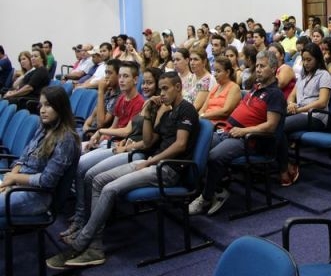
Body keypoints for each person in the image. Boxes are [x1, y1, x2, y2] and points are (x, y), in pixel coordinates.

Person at [47, 71, 200, 269]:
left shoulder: (186, 110)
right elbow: (148, 141)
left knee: (109, 188)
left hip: (168, 170)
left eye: (165, 88)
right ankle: (94, 247)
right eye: (160, 89)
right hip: (153, 163)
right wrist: (147, 114)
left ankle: (82, 243)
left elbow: (180, 145)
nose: (161, 93)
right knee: (98, 179)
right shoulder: (168, 111)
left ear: (178, 87)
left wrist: (151, 161)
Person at [61, 66, 158, 239]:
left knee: (86, 170)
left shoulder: (144, 104)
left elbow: (136, 136)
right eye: (119, 76)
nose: (121, 80)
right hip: (117, 143)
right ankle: (81, 216)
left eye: (125, 76)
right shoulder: (124, 99)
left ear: (136, 79)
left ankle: (86, 221)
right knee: (77, 161)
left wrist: (106, 134)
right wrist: (103, 133)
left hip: (129, 149)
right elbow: (118, 127)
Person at [188, 51, 286, 216]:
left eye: (263, 66)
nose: (259, 70)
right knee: (197, 147)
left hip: (251, 141)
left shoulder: (275, 94)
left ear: (274, 68)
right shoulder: (256, 88)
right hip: (229, 131)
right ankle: (213, 187)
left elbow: (271, 126)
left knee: (213, 156)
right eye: (258, 66)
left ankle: (207, 196)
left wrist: (243, 131)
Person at [0, 86, 80, 217]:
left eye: (48, 105)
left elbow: (47, 181)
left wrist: (14, 178)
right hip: (18, 185)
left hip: (36, 196)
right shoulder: (43, 128)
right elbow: (23, 158)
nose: (42, 110)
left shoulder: (66, 140)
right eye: (41, 105)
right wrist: (8, 181)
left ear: (60, 107)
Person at [279, 43, 331, 186]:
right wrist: (291, 104)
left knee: (280, 126)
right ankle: (282, 163)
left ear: (317, 59)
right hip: (301, 113)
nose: (306, 63)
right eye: (304, 59)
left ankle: (286, 168)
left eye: (309, 60)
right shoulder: (302, 76)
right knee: (272, 121)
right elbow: (291, 96)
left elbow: (322, 102)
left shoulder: (324, 75)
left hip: (316, 117)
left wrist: (300, 110)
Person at [199, 56, 242, 124]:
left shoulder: (234, 87)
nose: (215, 75)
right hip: (205, 122)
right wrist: (201, 116)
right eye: (215, 71)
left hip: (219, 126)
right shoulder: (215, 88)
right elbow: (202, 109)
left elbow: (225, 111)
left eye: (218, 71)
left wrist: (204, 116)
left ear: (227, 72)